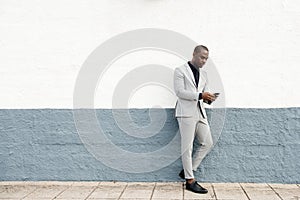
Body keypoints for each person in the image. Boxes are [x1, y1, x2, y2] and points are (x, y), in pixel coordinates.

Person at [173, 45, 217, 194]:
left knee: (208, 142)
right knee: (187, 147)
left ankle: (188, 170)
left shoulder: (204, 74)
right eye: (202, 57)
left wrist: (208, 98)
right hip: (185, 113)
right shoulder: (180, 70)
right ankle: (190, 181)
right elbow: (180, 92)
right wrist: (200, 96)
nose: (204, 61)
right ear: (194, 54)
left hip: (200, 112)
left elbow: (203, 94)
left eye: (206, 58)